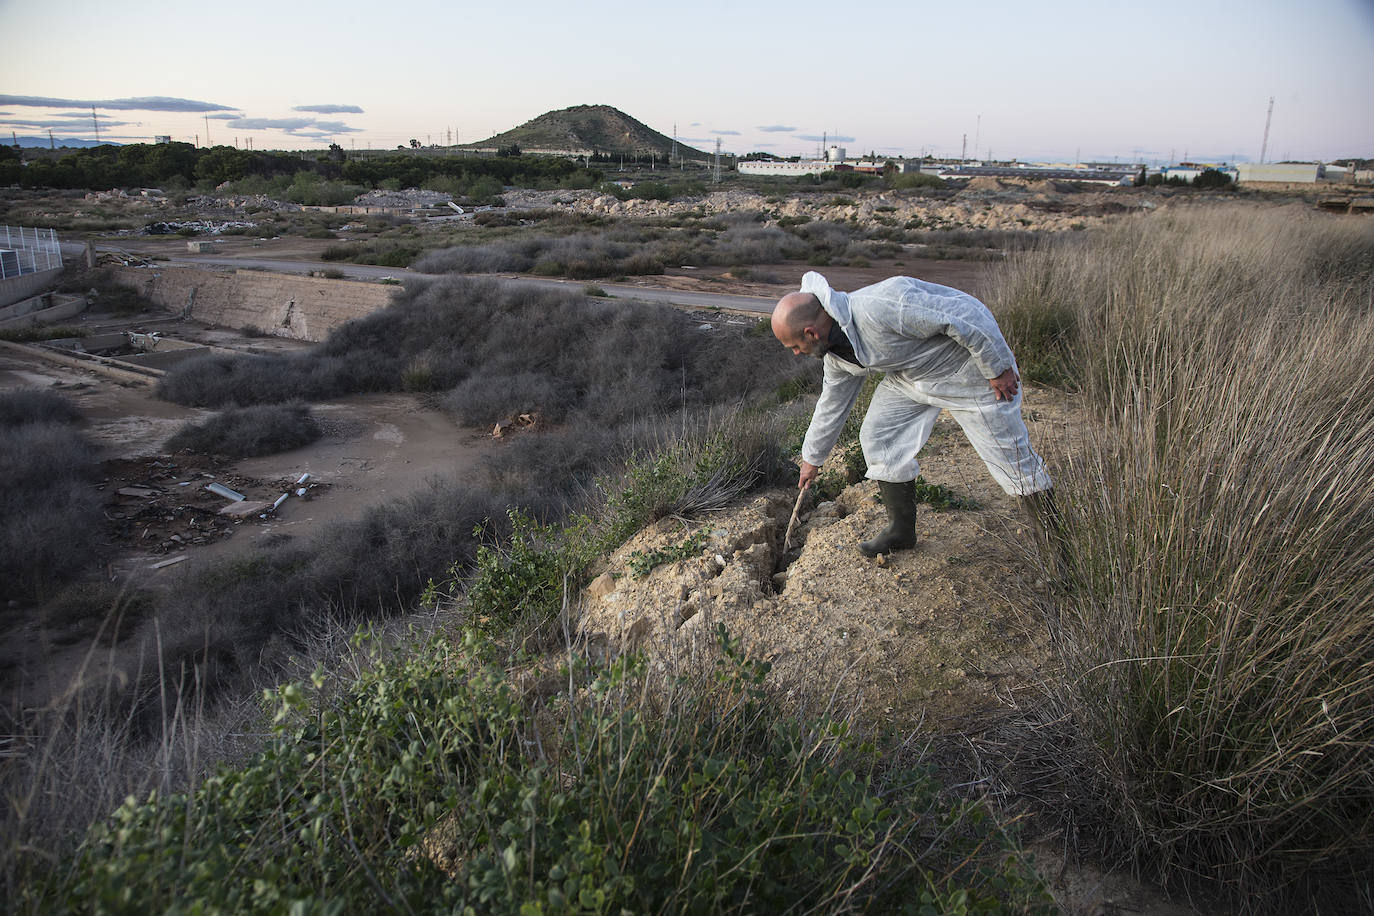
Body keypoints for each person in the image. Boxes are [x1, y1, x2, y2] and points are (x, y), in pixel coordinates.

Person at [772, 271, 1057, 558]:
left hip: (967, 374)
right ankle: (901, 530)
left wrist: (998, 367)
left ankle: (1057, 546)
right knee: (879, 436)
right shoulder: (835, 355)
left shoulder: (883, 305)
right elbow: (832, 404)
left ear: (811, 333)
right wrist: (812, 458)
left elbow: (968, 314)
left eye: (795, 346)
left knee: (1011, 460)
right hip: (910, 378)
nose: (797, 353)